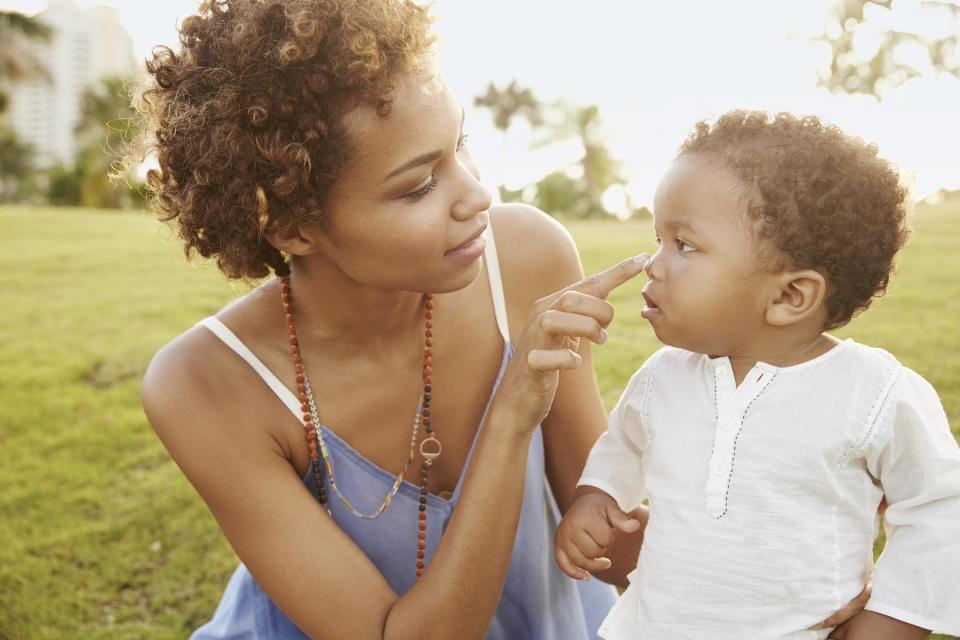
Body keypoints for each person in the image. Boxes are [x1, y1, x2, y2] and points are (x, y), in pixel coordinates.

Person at [131, 2, 869, 638]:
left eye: (462, 149)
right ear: (290, 226)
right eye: (419, 184)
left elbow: (602, 530)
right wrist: (511, 410)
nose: (477, 195)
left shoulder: (523, 255)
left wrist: (778, 594)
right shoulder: (206, 384)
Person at [555, 110, 960, 640]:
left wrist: (891, 620)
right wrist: (597, 500)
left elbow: (940, 509)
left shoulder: (873, 393)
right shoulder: (662, 378)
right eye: (659, 239)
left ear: (790, 296)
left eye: (685, 245)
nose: (654, 265)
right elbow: (621, 451)